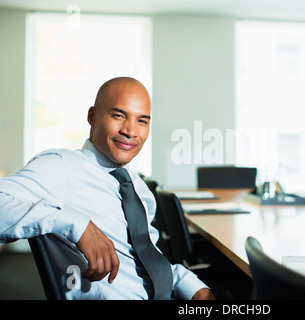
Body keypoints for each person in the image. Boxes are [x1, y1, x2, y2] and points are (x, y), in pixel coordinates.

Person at [0, 77, 215, 300]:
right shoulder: (62, 166)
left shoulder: (137, 187)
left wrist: (188, 284)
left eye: (142, 121)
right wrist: (76, 224)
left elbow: (146, 260)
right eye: (119, 115)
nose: (131, 131)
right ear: (92, 116)